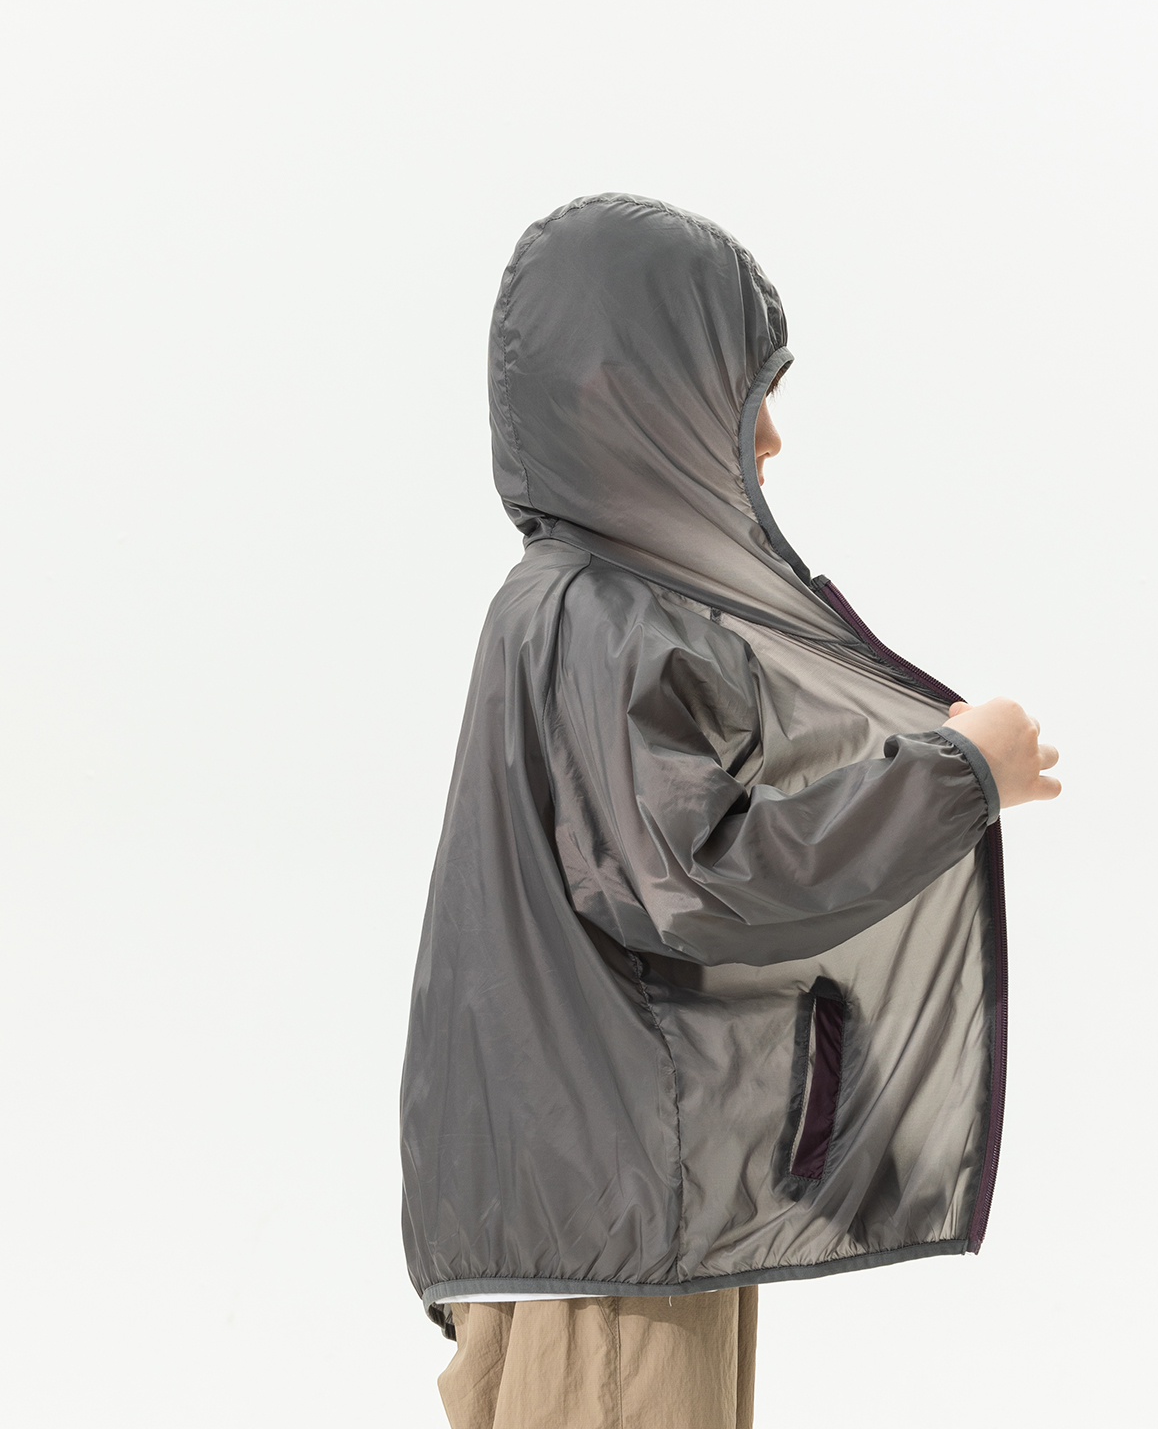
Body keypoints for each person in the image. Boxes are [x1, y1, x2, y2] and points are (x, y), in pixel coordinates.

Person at [400, 193, 1060, 1429]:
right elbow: (699, 878)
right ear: (630, 399)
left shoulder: (569, 605)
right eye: (740, 393)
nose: (768, 439)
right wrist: (959, 776)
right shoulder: (598, 615)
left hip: (607, 1214)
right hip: (611, 1240)